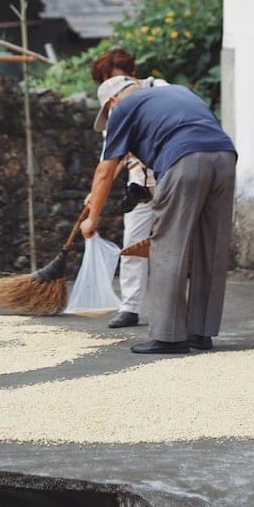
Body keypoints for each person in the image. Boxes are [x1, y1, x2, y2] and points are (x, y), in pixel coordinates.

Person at [81, 78, 237, 355]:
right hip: (225, 158)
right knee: (211, 247)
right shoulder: (176, 92)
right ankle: (201, 333)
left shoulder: (122, 109)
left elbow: (105, 171)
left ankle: (169, 337)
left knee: (168, 247)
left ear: (112, 102)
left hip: (185, 158)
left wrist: (92, 220)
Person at [89, 48, 167, 330]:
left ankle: (171, 308)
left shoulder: (159, 89)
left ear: (132, 74)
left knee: (172, 245)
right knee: (132, 243)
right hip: (138, 184)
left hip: (169, 176)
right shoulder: (113, 107)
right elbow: (111, 158)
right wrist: (95, 193)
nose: (113, 86)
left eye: (117, 78)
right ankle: (130, 307)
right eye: (107, 81)